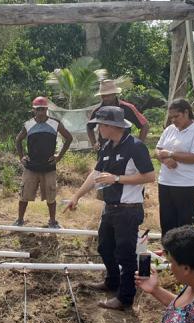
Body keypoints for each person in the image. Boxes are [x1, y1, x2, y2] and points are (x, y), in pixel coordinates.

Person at [65, 106, 155, 310]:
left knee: (126, 254)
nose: (98, 130)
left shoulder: (135, 147)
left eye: (100, 126)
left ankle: (125, 298)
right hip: (110, 207)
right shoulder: (107, 147)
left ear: (111, 126)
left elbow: (150, 176)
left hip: (128, 209)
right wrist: (77, 196)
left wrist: (117, 179)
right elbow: (95, 174)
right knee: (105, 248)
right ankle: (112, 282)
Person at [14, 96, 73, 228]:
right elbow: (18, 140)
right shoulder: (28, 124)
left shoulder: (55, 123)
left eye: (43, 109)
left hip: (49, 166)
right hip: (31, 166)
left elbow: (69, 138)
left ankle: (52, 221)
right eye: (38, 109)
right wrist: (21, 156)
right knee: (24, 195)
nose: (41, 112)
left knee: (51, 196)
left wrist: (58, 157)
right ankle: (19, 220)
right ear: (34, 110)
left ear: (47, 109)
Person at [155, 99, 194, 237]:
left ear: (186, 112)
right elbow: (157, 150)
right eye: (171, 117)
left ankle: (186, 254)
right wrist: (164, 159)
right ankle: (169, 253)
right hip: (165, 182)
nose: (174, 120)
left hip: (186, 184)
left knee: (185, 223)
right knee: (167, 221)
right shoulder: (170, 129)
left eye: (177, 116)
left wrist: (171, 154)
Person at [87, 79, 149, 149]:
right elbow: (89, 127)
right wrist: (94, 143)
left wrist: (139, 145)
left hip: (125, 148)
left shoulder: (127, 108)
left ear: (114, 94)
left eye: (108, 95)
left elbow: (145, 125)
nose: (106, 98)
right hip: (104, 149)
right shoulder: (98, 110)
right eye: (103, 96)